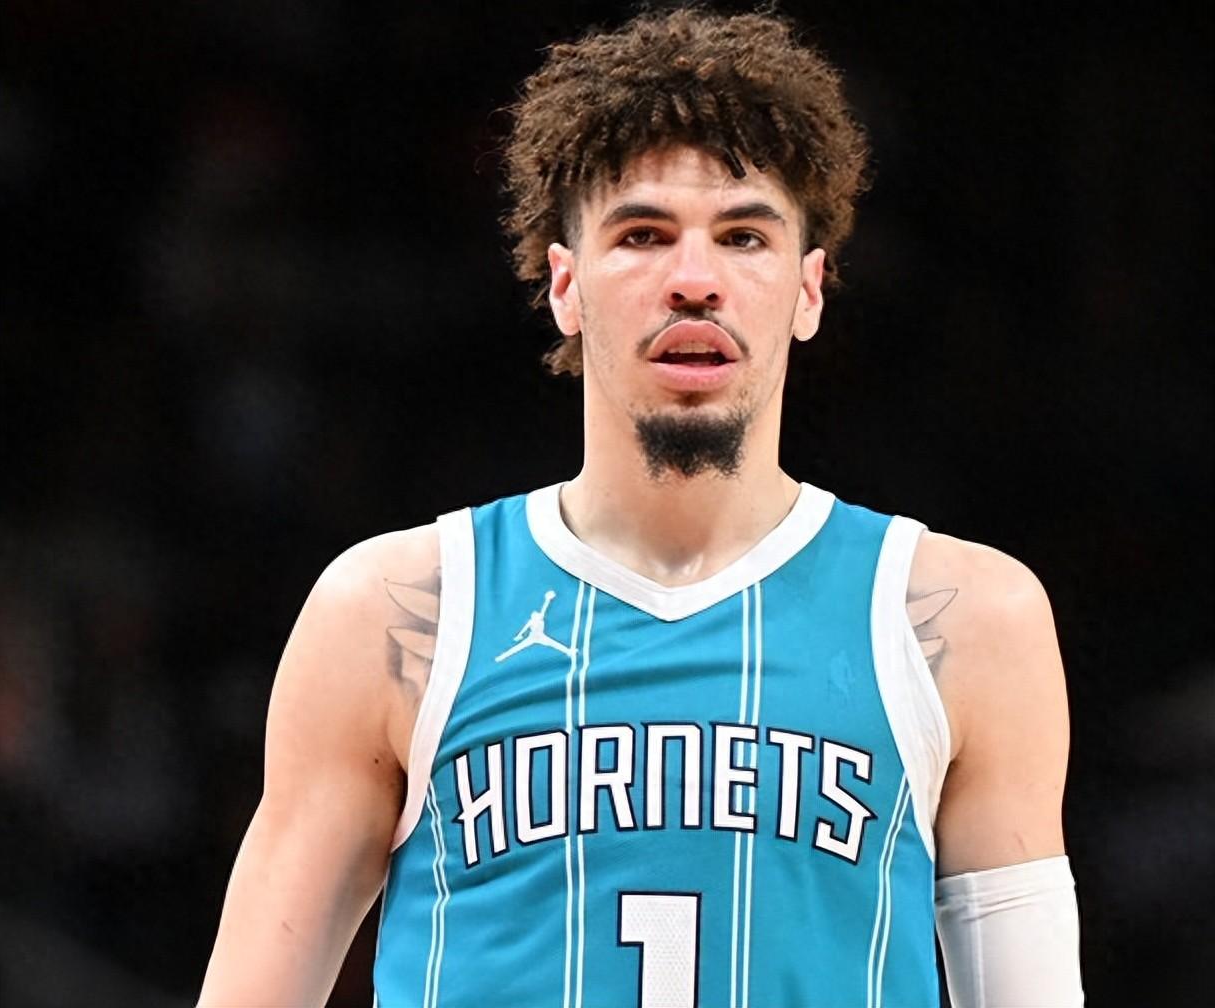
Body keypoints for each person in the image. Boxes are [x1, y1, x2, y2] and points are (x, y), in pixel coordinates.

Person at [199, 8, 1084, 1006]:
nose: (694, 281)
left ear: (809, 290)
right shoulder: (394, 613)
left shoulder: (968, 620)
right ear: (565, 286)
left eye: (743, 236)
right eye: (643, 236)